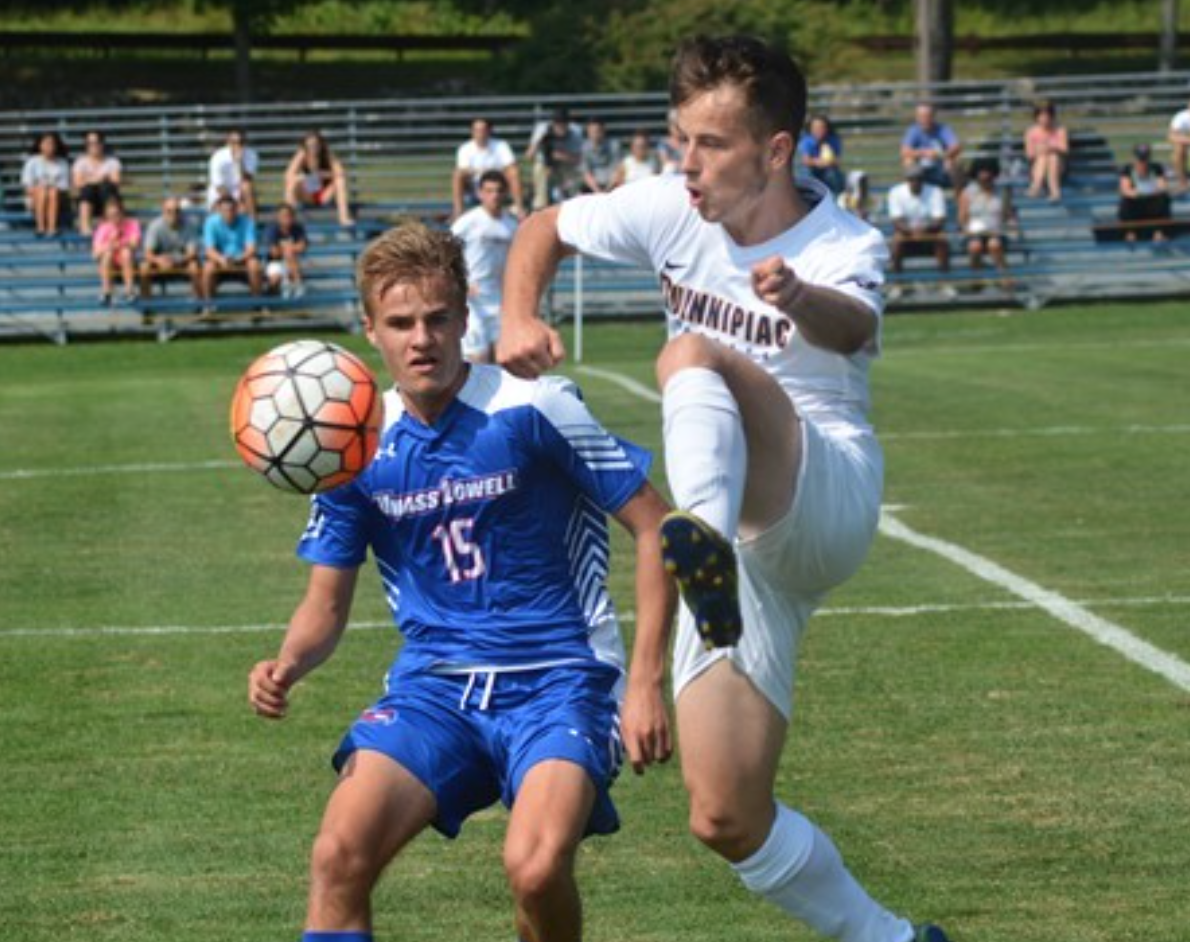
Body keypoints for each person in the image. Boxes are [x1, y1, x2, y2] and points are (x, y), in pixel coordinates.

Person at [499, 33, 951, 942]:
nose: (687, 163)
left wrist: (795, 298)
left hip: (821, 493)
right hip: (741, 574)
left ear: (776, 150)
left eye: (710, 144)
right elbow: (545, 226)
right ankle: (896, 939)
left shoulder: (842, 240)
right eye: (680, 138)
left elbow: (854, 321)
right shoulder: (674, 206)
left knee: (692, 353)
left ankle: (692, 534)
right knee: (725, 815)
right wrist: (517, 313)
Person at [248, 220, 675, 942]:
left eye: (438, 318)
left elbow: (656, 525)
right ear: (370, 331)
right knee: (337, 855)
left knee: (536, 869)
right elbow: (325, 605)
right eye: (401, 322)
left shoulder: (531, 409)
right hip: (435, 689)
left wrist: (642, 683)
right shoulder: (356, 445)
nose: (422, 338)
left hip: (560, 680)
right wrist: (288, 663)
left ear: (464, 315)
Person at [450, 170, 517, 364]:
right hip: (472, 302)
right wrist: (460, 281)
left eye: (498, 191)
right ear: (480, 193)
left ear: (505, 193)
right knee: (478, 359)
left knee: (505, 360)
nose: (494, 195)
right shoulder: (468, 222)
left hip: (500, 302)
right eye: (489, 191)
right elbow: (445, 251)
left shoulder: (511, 225)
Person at [887, 164, 951, 285]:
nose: (915, 181)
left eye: (919, 178)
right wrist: (912, 232)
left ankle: (945, 282)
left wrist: (923, 230)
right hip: (907, 236)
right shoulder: (896, 192)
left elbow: (940, 219)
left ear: (923, 179)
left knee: (942, 238)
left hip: (929, 235)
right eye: (912, 178)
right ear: (906, 179)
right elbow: (897, 221)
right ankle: (898, 284)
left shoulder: (935, 191)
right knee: (897, 240)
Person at [451, 117, 524, 220]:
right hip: (475, 186)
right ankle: (458, 211)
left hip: (499, 184)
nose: (480, 133)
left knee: (514, 172)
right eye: (476, 130)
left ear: (489, 131)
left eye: (483, 130)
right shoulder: (465, 148)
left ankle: (519, 208)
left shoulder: (501, 145)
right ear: (472, 132)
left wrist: (481, 171)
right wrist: (488, 171)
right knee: (457, 174)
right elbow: (464, 170)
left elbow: (511, 165)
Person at [958, 158, 1016, 283]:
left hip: (997, 232)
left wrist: (1005, 228)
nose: (985, 175)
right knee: (975, 246)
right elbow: (962, 218)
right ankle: (976, 278)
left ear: (993, 174)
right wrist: (968, 230)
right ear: (976, 174)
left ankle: (1005, 277)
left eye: (988, 172)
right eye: (981, 172)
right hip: (973, 233)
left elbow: (1008, 216)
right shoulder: (967, 193)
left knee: (994, 244)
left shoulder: (1002, 193)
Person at [284, 130, 354, 227]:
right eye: (310, 146)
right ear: (305, 146)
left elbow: (341, 173)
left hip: (325, 194)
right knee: (292, 183)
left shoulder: (327, 154)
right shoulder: (302, 154)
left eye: (315, 145)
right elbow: (288, 175)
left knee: (340, 181)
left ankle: (343, 217)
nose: (313, 148)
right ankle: (288, 219)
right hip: (308, 193)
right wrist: (305, 177)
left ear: (321, 145)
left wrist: (325, 174)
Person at [202, 194, 262, 302]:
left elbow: (251, 248)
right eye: (225, 210)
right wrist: (221, 259)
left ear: (236, 209)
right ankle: (208, 305)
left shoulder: (248, 222)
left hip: (242, 260)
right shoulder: (210, 222)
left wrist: (238, 259)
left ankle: (257, 303)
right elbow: (209, 250)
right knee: (208, 268)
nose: (229, 213)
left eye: (231, 209)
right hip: (219, 262)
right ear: (219, 210)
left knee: (254, 265)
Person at [141, 197, 202, 300]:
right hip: (159, 263)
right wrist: (158, 260)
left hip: (182, 261)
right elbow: (147, 253)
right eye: (169, 211)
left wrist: (176, 261)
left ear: (181, 212)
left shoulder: (190, 225)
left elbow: (192, 253)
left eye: (177, 211)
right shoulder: (155, 226)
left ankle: (198, 303)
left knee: (194, 267)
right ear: (163, 211)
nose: (174, 214)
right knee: (144, 267)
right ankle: (146, 306)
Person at [525, 106, 584, 209]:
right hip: (544, 164)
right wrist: (540, 141)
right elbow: (529, 156)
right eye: (557, 123)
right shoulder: (542, 129)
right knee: (539, 169)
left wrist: (559, 155)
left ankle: (573, 202)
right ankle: (540, 204)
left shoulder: (575, 132)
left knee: (574, 176)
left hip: (566, 165)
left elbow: (579, 159)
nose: (560, 126)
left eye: (563, 123)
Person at [91, 195, 141, 306]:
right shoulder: (102, 228)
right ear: (107, 215)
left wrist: (120, 243)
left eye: (117, 214)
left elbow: (135, 244)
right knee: (108, 253)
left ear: (122, 212)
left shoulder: (132, 224)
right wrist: (109, 245)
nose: (114, 218)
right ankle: (106, 291)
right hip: (109, 262)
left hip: (127, 260)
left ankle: (130, 291)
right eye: (111, 215)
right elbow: (95, 254)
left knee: (126, 252)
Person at [72, 130, 123, 237]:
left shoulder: (112, 162)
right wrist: (100, 178)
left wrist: (89, 179)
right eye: (90, 143)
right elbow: (77, 183)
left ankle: (109, 227)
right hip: (88, 200)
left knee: (105, 188)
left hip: (107, 199)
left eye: (97, 142)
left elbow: (116, 180)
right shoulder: (80, 162)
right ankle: (85, 228)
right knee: (88, 190)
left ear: (102, 144)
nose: (94, 146)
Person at [900, 102, 962, 190]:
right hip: (920, 168)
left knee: (954, 162)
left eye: (927, 116)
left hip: (941, 166)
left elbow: (956, 146)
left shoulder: (943, 129)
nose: (924, 119)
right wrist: (923, 153)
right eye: (921, 116)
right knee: (908, 161)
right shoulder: (913, 130)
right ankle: (912, 197)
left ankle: (959, 199)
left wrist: (942, 155)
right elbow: (904, 151)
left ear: (933, 116)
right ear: (917, 118)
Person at [1117, 144, 1171, 243]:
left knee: (1164, 198)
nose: (1143, 162)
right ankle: (1130, 232)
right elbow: (1124, 189)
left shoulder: (1156, 168)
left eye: (1145, 158)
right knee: (1125, 201)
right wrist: (1136, 193)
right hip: (1136, 202)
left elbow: (1162, 186)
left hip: (1152, 202)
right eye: (1140, 159)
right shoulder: (1127, 169)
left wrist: (1152, 191)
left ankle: (1159, 232)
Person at [20, 131, 70, 238]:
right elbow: (27, 186)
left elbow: (64, 187)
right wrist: (41, 188)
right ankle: (40, 227)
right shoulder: (32, 162)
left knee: (53, 192)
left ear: (56, 146)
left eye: (52, 143)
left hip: (57, 199)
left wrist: (50, 187)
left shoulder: (62, 163)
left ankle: (52, 228)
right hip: (35, 197)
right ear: (40, 145)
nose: (49, 146)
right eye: (46, 143)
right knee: (42, 191)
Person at [1023, 100, 1068, 201]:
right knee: (1043, 157)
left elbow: (1065, 149)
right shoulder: (1031, 132)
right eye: (1041, 116)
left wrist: (1051, 148)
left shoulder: (1060, 130)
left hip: (1058, 168)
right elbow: (1029, 155)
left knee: (1053, 157)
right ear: (1036, 117)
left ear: (1052, 117)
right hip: (1037, 168)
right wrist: (1039, 150)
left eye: (1047, 116)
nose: (1044, 119)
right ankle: (1053, 191)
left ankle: (1037, 188)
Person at [207, 128, 259, 214]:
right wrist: (234, 205)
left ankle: (253, 224)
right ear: (228, 143)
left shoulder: (251, 155)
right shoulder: (218, 157)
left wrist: (240, 163)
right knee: (230, 210)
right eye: (234, 142)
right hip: (220, 196)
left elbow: (247, 181)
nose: (238, 146)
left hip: (241, 195)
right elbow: (219, 187)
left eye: (241, 142)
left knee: (247, 186)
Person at [263, 204, 309, 299]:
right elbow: (274, 252)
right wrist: (291, 248)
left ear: (293, 217)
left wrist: (285, 248)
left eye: (289, 215)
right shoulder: (272, 229)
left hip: (296, 261)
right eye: (283, 216)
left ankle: (297, 284)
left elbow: (302, 246)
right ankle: (268, 303)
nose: (286, 218)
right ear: (278, 217)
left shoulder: (298, 228)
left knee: (289, 254)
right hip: (276, 261)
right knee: (275, 280)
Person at [797, 114, 846, 195]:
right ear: (811, 129)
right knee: (806, 173)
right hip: (812, 170)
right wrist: (818, 162)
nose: (818, 130)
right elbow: (806, 160)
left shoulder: (833, 140)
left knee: (834, 175)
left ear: (827, 128)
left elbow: (837, 161)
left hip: (828, 170)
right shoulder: (807, 140)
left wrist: (829, 162)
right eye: (815, 128)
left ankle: (837, 197)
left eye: (821, 128)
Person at [580, 117, 622, 194]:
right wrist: (598, 191)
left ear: (603, 131)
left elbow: (618, 170)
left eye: (598, 131)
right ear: (588, 132)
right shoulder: (584, 147)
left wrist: (607, 190)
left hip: (611, 185)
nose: (595, 134)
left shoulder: (614, 145)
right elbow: (586, 173)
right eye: (592, 131)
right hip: (593, 187)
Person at [657, 109, 685, 174]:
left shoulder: (687, 143)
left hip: (683, 175)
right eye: (674, 124)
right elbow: (665, 163)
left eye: (679, 125)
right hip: (669, 177)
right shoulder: (663, 143)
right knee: (669, 168)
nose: (677, 128)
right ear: (669, 126)